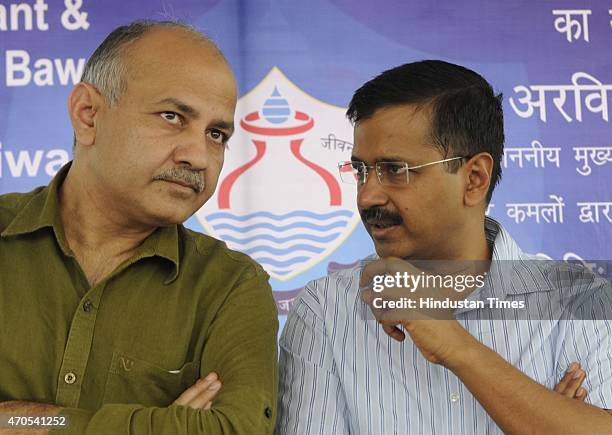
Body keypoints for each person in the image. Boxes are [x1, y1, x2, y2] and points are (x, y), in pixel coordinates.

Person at [276, 60, 612, 434]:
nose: (367, 194)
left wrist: (456, 347)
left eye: (394, 170)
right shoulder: (327, 310)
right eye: (361, 171)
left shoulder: (580, 301)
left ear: (474, 178)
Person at [0, 20, 278, 434]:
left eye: (216, 134)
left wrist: (34, 422)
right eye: (172, 116)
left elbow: (232, 430)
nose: (199, 156)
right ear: (88, 115)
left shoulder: (230, 286)